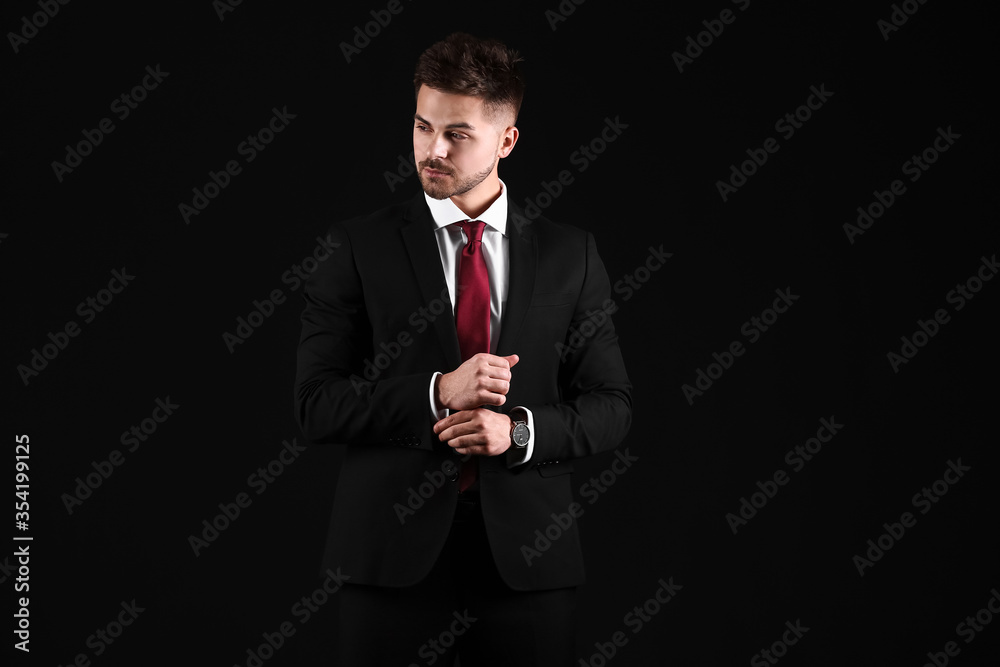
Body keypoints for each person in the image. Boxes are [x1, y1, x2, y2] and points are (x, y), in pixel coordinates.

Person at [295, 31, 632, 666]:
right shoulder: (356, 247)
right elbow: (316, 403)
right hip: (388, 561)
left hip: (531, 563)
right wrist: (436, 393)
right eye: (423, 127)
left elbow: (613, 404)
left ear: (506, 141)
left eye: (457, 135)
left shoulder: (571, 254)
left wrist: (520, 434)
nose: (432, 150)